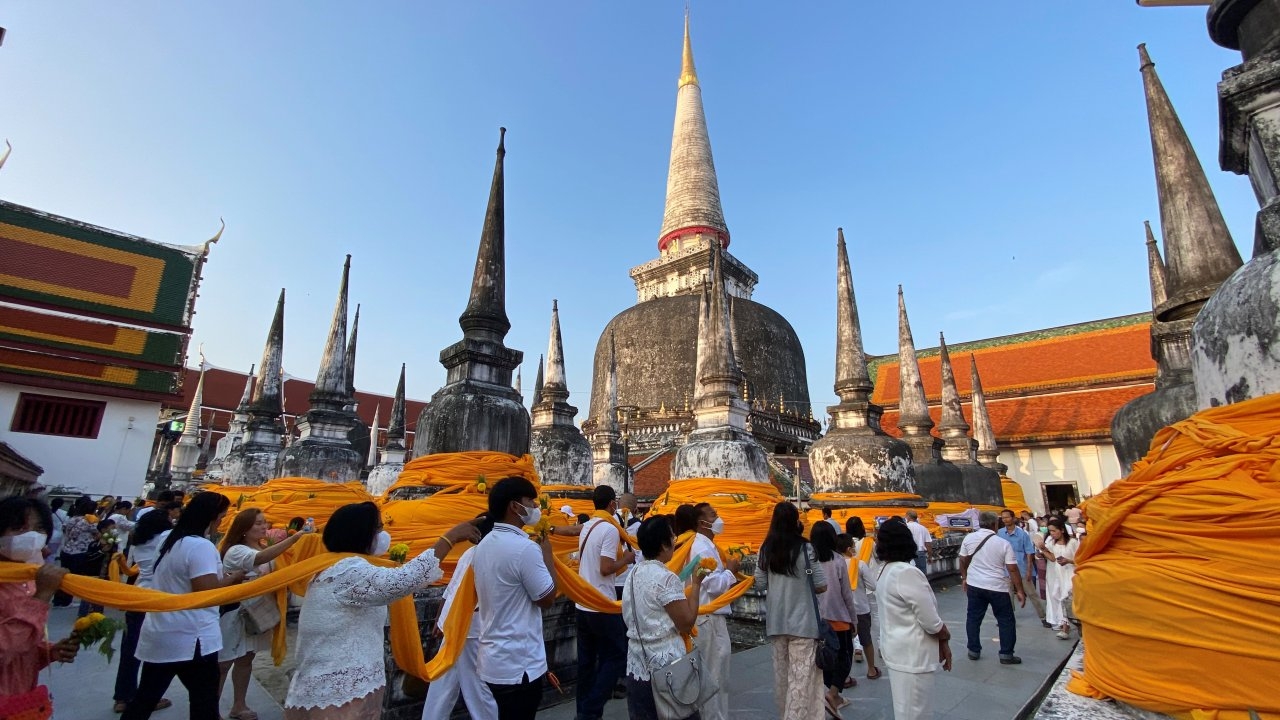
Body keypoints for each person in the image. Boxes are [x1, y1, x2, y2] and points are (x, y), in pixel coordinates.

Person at [284, 502, 478, 719]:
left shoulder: (334, 566)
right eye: (378, 528)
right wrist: (449, 538)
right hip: (341, 688)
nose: (383, 534)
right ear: (361, 534)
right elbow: (404, 580)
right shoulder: (348, 571)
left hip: (333, 678)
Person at [122, 492, 247, 720]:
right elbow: (205, 590)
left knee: (144, 700)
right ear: (210, 517)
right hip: (193, 636)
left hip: (162, 631)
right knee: (204, 705)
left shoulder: (168, 539)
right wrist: (235, 578)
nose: (221, 522)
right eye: (221, 517)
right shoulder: (200, 546)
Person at [473, 477, 559, 720]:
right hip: (519, 663)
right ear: (514, 506)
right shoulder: (525, 548)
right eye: (530, 501)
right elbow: (547, 598)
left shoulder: (484, 544)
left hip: (493, 658)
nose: (535, 507)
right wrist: (548, 556)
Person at [217, 508, 312, 720]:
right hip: (235, 613)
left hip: (257, 612)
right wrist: (294, 539)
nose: (264, 527)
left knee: (245, 660)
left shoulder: (260, 546)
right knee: (223, 664)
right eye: (258, 523)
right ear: (244, 528)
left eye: (264, 522)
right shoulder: (237, 551)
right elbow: (260, 558)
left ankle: (239, 705)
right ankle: (210, 710)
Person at [0, 496, 80, 714]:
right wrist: (41, 597)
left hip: (18, 703)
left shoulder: (25, 579)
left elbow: (17, 655)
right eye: (19, 528)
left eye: (39, 529)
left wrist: (48, 652)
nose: (31, 536)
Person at [621, 515, 704, 720]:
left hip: (638, 662)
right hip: (668, 666)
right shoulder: (665, 578)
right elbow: (686, 623)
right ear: (664, 545)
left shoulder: (633, 573)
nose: (675, 540)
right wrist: (696, 584)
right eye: (672, 536)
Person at [753, 502, 826, 720]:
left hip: (776, 622)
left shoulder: (765, 549)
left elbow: (759, 584)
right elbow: (821, 585)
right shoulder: (806, 548)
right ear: (796, 521)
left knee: (783, 680)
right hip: (804, 623)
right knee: (800, 681)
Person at [422, 514, 498, 720]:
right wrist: (441, 618)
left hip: (460, 626)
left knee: (446, 682)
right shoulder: (479, 555)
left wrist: (441, 618)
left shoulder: (475, 554)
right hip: (465, 628)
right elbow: (453, 589)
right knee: (473, 687)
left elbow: (451, 590)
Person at [873, 518, 951, 720]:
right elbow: (931, 622)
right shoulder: (906, 573)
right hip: (912, 655)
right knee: (916, 712)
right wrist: (945, 636)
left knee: (906, 710)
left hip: (897, 651)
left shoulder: (884, 570)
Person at [573, 485, 633, 720]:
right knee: (616, 656)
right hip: (601, 603)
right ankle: (591, 709)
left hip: (583, 603)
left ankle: (583, 710)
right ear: (612, 504)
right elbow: (606, 568)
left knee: (586, 663)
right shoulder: (608, 529)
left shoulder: (588, 526)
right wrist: (626, 559)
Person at [113, 505, 176, 713]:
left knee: (130, 650)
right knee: (156, 652)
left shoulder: (140, 540)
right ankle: (148, 698)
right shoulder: (166, 539)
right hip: (157, 599)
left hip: (138, 597)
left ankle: (123, 697)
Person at [958, 511, 1026, 666]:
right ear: (995, 524)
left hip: (975, 584)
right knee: (1006, 620)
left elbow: (962, 560)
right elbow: (1012, 569)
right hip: (997, 587)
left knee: (973, 617)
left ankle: (973, 650)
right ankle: (1006, 654)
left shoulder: (969, 538)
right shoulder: (1003, 543)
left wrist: (964, 578)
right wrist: (1020, 590)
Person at [689, 503, 737, 720]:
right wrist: (730, 572)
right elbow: (714, 585)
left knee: (715, 675)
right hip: (709, 619)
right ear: (702, 523)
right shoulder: (702, 548)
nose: (718, 518)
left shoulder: (707, 546)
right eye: (713, 515)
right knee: (715, 677)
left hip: (710, 617)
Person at [811, 521, 855, 716]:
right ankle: (833, 693)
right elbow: (847, 594)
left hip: (818, 619)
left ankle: (831, 695)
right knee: (845, 657)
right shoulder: (838, 560)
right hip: (839, 617)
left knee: (826, 657)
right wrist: (853, 619)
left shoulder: (809, 562)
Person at [839, 532, 880, 683]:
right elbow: (872, 586)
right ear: (849, 549)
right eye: (853, 546)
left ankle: (845, 676)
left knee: (844, 644)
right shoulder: (860, 564)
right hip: (861, 607)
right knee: (866, 639)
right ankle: (871, 669)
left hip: (842, 611)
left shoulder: (835, 565)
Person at [998, 509, 1047, 627]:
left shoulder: (1022, 534)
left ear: (1013, 518)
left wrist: (1029, 570)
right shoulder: (999, 533)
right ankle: (1008, 618)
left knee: (1032, 594)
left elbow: (1029, 552)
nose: (1005, 520)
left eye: (1007, 517)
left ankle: (1043, 617)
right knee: (1007, 595)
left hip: (1022, 568)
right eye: (1003, 518)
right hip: (1006, 569)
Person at [55, 496, 101, 610]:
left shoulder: (72, 519)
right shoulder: (89, 521)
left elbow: (65, 529)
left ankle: (58, 599)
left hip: (66, 550)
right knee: (73, 577)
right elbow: (97, 534)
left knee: (63, 575)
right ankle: (67, 600)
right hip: (80, 551)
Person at [1041, 520, 1079, 640]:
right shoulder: (1053, 543)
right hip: (1059, 575)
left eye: (1054, 531)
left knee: (1066, 598)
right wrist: (1043, 550)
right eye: (1050, 531)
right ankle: (1065, 624)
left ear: (1062, 530)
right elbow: (1053, 558)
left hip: (1071, 574)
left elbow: (1080, 559)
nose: (1052, 533)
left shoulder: (1073, 542)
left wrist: (1068, 561)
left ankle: (1066, 628)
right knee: (1058, 596)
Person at [903, 510, 932, 576]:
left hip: (907, 552)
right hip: (920, 552)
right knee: (922, 574)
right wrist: (930, 556)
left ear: (908, 517)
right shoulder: (923, 528)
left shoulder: (904, 527)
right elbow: (928, 544)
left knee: (907, 573)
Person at [46, 497, 67, 564]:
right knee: (52, 554)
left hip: (46, 534)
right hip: (57, 536)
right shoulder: (64, 513)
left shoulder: (46, 512)